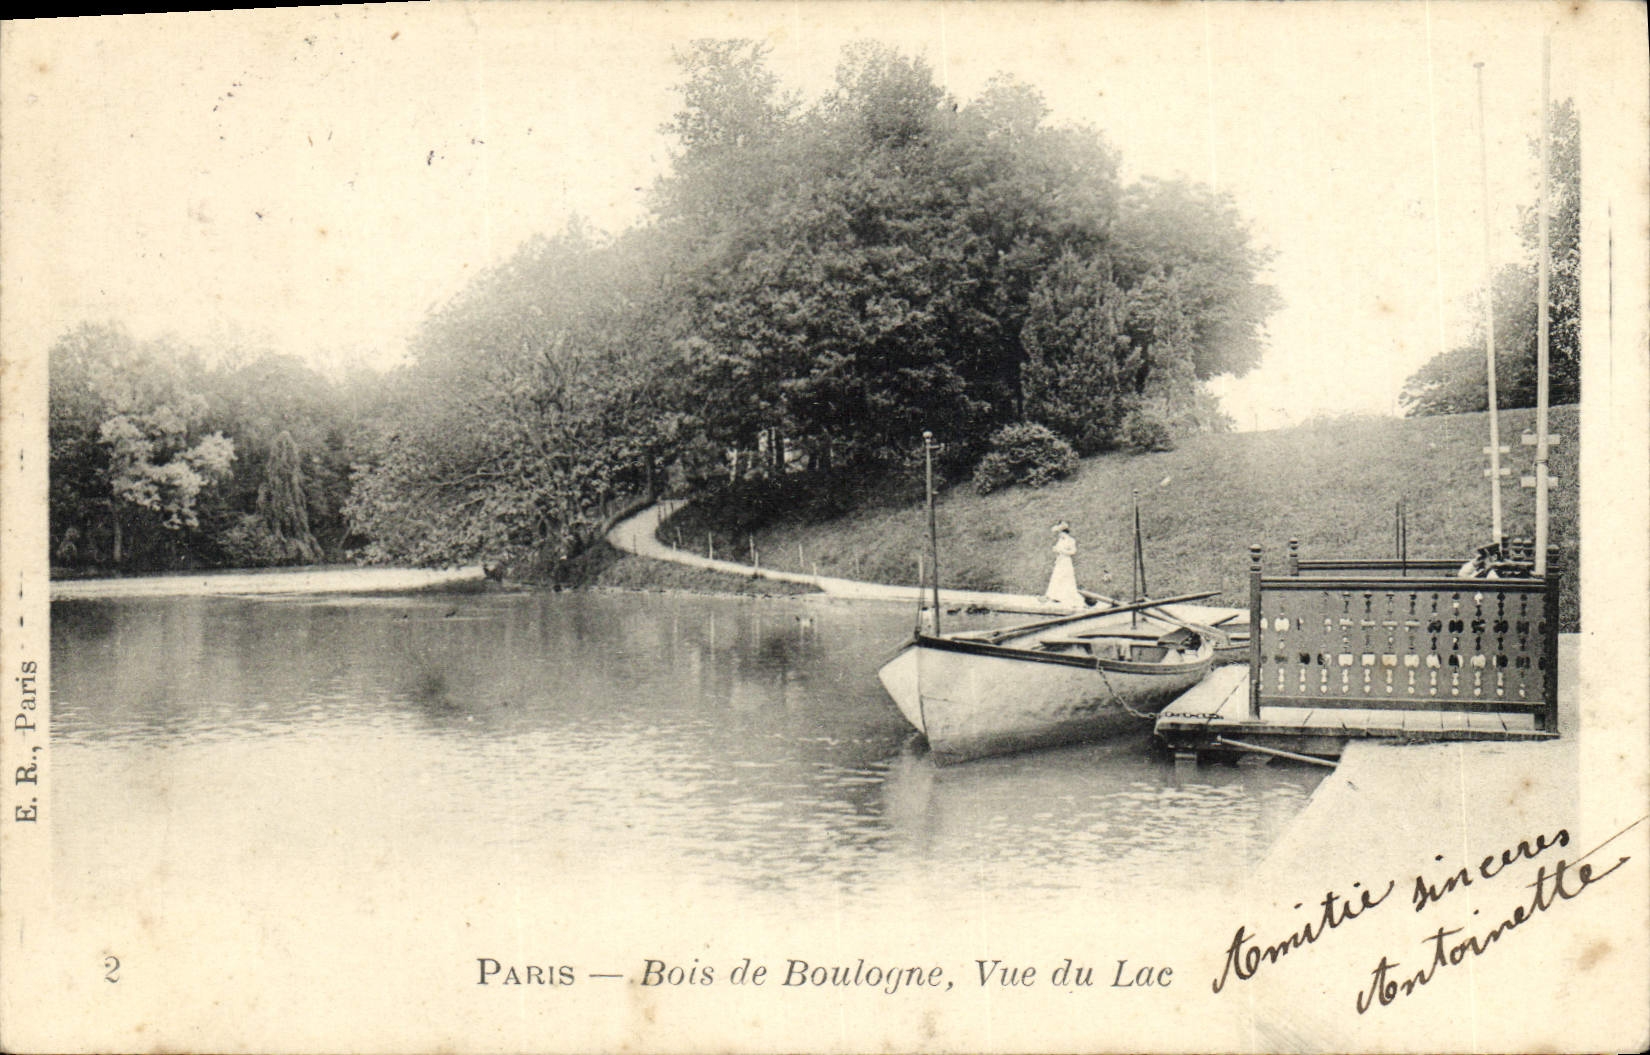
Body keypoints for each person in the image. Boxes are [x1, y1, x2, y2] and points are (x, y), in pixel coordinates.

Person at [1043, 521, 1083, 607]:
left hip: (1066, 561)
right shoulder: (1060, 540)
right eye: (1059, 533)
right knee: (1057, 577)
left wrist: (1062, 551)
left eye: (1060, 533)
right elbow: (1058, 549)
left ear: (1065, 532)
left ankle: (1066, 596)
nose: (1059, 535)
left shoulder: (1071, 540)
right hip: (1060, 560)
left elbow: (1073, 551)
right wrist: (1056, 550)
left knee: (1066, 577)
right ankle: (1055, 596)